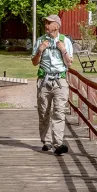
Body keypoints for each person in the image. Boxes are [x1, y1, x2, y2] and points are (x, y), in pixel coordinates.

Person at [31, 14, 74, 155]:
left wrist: (63, 50)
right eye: (46, 23)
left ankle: (58, 144)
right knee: (44, 112)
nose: (46, 25)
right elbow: (34, 62)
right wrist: (40, 50)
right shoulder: (40, 41)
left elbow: (69, 63)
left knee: (59, 112)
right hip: (44, 80)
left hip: (60, 81)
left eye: (49, 23)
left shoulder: (65, 41)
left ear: (57, 25)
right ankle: (46, 141)